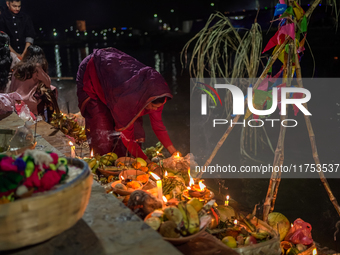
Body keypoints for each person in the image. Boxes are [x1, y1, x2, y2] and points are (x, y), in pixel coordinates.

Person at [76, 47, 179, 165]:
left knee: (132, 135)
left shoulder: (157, 95)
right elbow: (127, 137)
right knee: (102, 133)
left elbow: (158, 126)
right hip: (94, 73)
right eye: (153, 107)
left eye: (158, 107)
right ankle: (102, 168)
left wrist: (174, 152)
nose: (155, 110)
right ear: (145, 100)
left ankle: (122, 165)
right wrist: (148, 163)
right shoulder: (131, 100)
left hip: (116, 87)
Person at [8, 45, 58, 120]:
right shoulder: (36, 67)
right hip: (28, 101)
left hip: (14, 100)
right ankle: (50, 119)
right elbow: (48, 82)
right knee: (52, 90)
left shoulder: (17, 66)